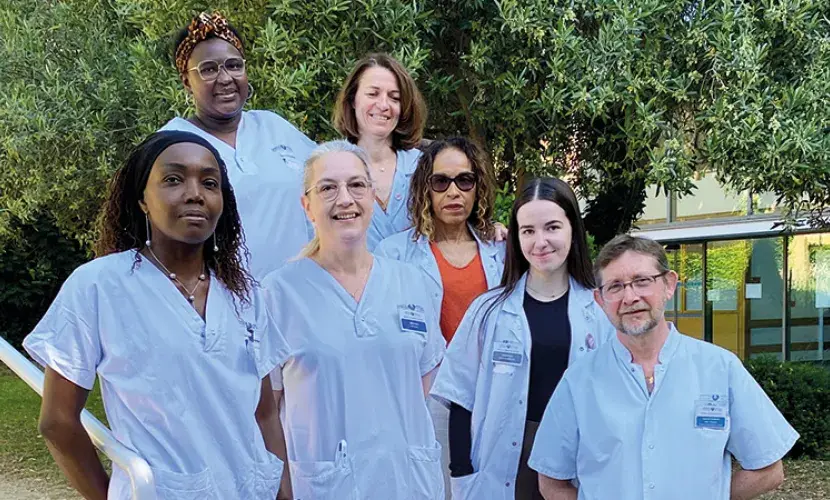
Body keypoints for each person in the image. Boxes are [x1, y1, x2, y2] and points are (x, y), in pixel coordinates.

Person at [23, 131, 289, 499]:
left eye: (209, 183)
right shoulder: (100, 285)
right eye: (173, 179)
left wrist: (284, 494)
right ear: (142, 200)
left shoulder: (244, 294)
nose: (195, 193)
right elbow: (58, 422)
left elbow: (264, 414)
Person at [529, 235, 799, 500]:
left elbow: (769, 470)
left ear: (669, 284)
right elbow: (551, 481)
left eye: (642, 281)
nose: (630, 297)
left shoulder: (720, 368)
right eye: (615, 287)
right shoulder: (579, 380)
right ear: (600, 300)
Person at [262, 140, 446, 499]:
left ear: (372, 197)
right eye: (327, 188)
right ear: (307, 206)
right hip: (327, 486)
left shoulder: (412, 282)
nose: (345, 199)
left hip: (408, 483)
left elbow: (422, 385)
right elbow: (267, 409)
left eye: (356, 185)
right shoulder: (278, 293)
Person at [430, 178, 616, 500]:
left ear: (573, 229)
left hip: (575, 462)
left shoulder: (601, 311)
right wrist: (461, 472)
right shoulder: (487, 310)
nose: (540, 241)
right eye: (528, 230)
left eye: (552, 227)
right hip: (502, 464)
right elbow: (460, 397)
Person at [376, 137, 506, 496]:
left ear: (478, 187)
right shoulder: (393, 254)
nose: (453, 192)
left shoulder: (501, 250)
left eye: (465, 180)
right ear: (425, 188)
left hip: (492, 395)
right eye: (441, 181)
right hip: (428, 398)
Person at [161, 11, 316, 279]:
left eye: (234, 65)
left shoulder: (273, 126)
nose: (225, 78)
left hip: (299, 292)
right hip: (221, 296)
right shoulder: (170, 144)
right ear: (186, 81)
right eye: (208, 69)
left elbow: (330, 179)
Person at [332, 53, 427, 250]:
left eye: (394, 98)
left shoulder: (424, 166)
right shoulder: (328, 167)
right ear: (352, 99)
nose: (383, 105)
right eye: (373, 94)